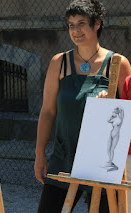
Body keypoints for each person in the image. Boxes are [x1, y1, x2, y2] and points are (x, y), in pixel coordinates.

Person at [34, 0, 131, 212]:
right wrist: (40, 154)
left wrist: (112, 105)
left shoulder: (117, 64)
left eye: (81, 23)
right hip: (64, 156)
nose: (75, 31)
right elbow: (48, 112)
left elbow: (127, 116)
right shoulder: (58, 62)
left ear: (97, 24)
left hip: (104, 161)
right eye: (71, 25)